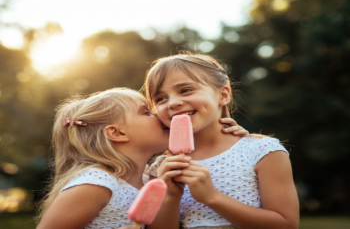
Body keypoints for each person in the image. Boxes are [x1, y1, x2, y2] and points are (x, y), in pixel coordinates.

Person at [36, 87, 248, 229]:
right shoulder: (96, 183)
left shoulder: (151, 179)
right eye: (146, 112)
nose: (159, 115)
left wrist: (226, 135)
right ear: (117, 133)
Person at [143, 52, 300, 229]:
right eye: (160, 99)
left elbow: (287, 225)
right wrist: (170, 196)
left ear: (223, 95)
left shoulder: (262, 151)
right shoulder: (162, 167)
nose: (172, 103)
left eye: (186, 90)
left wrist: (212, 197)